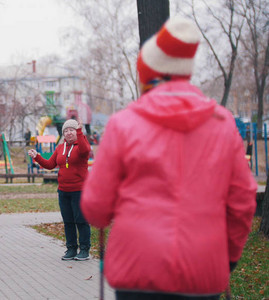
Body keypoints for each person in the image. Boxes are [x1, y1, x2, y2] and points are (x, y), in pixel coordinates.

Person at [81, 17, 256, 299]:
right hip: (203, 271)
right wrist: (229, 258)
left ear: (148, 73)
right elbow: (243, 201)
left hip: (137, 271)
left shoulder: (123, 124)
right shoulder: (223, 125)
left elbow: (96, 208)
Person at [28, 119, 92, 260]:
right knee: (68, 221)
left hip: (80, 190)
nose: (69, 133)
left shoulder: (82, 145)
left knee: (81, 220)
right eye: (66, 131)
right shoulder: (60, 148)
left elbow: (85, 150)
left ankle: (85, 250)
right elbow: (50, 164)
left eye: (72, 130)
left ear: (77, 132)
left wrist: (80, 132)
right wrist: (37, 157)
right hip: (63, 191)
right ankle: (71, 249)